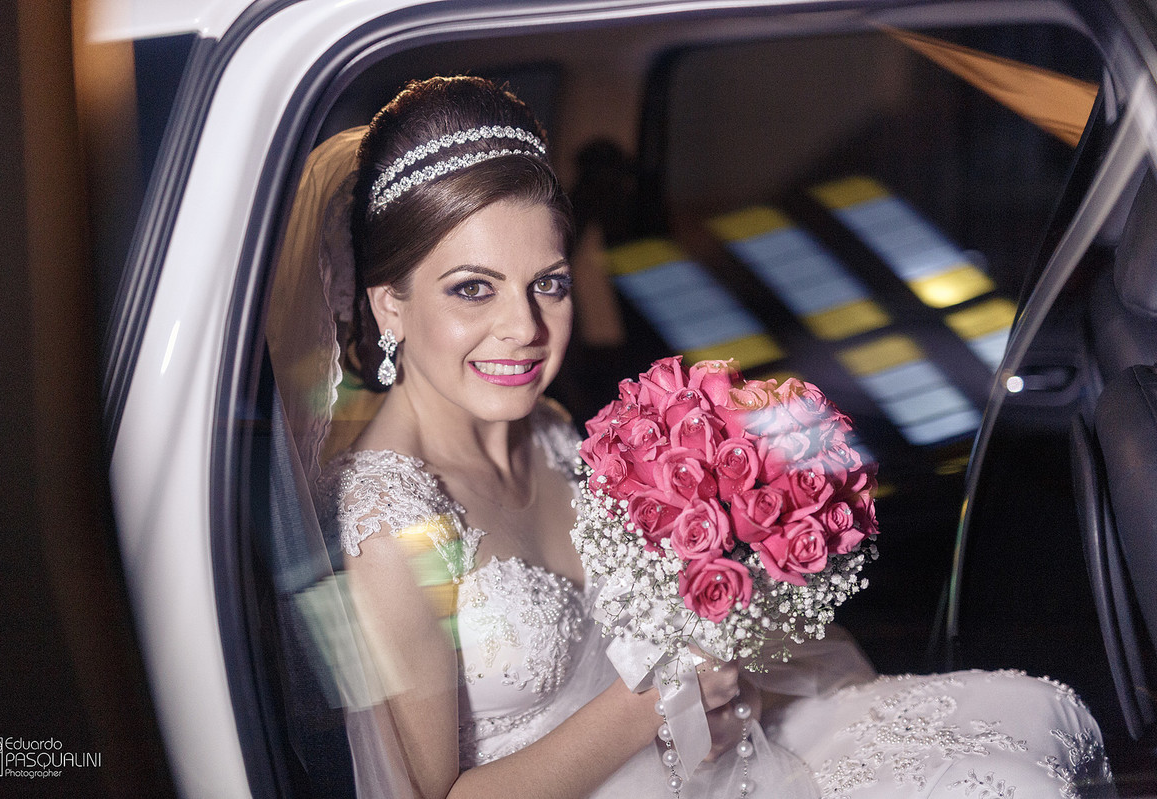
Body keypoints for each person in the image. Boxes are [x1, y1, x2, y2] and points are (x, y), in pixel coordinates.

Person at [310, 76, 1115, 798]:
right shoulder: (391, 524)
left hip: (706, 757)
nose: (522, 328)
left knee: (1030, 726)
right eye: (472, 289)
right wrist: (660, 696)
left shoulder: (549, 429)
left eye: (547, 283)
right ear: (389, 304)